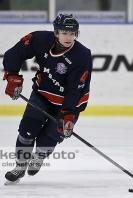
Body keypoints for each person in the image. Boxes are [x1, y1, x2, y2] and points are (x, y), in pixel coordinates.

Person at [2, 14, 93, 184]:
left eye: (72, 33)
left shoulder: (82, 55)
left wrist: (68, 113)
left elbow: (75, 89)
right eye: (64, 32)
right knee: (26, 132)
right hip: (42, 95)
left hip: (69, 104)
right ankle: (20, 166)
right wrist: (12, 75)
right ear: (56, 32)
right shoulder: (40, 39)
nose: (68, 37)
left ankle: (38, 157)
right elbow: (16, 52)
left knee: (48, 139)